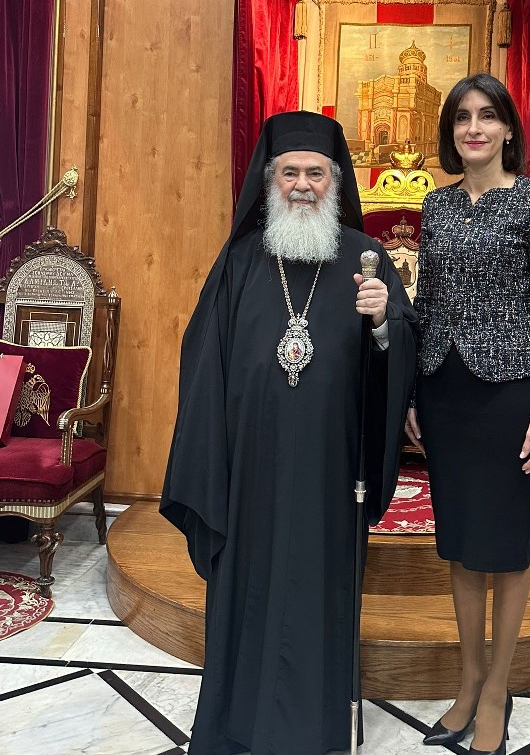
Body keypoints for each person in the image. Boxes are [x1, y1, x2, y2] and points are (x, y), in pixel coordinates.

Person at [161, 111, 418, 755]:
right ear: (268, 179)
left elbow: (399, 355)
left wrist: (384, 324)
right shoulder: (242, 261)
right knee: (248, 588)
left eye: (315, 173)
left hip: (332, 468)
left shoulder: (365, 255)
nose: (302, 185)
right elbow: (202, 354)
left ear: (335, 180)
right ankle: (235, 728)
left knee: (316, 589)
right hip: (250, 467)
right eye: (289, 172)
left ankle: (315, 733)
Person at [405, 74, 530, 755]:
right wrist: (414, 390)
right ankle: (468, 682)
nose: (474, 128)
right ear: (451, 132)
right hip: (444, 389)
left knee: (504, 548)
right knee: (462, 546)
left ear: (508, 129)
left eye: (487, 116)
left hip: (510, 393)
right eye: (462, 118)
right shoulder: (436, 205)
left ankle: (498, 687)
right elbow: (430, 304)